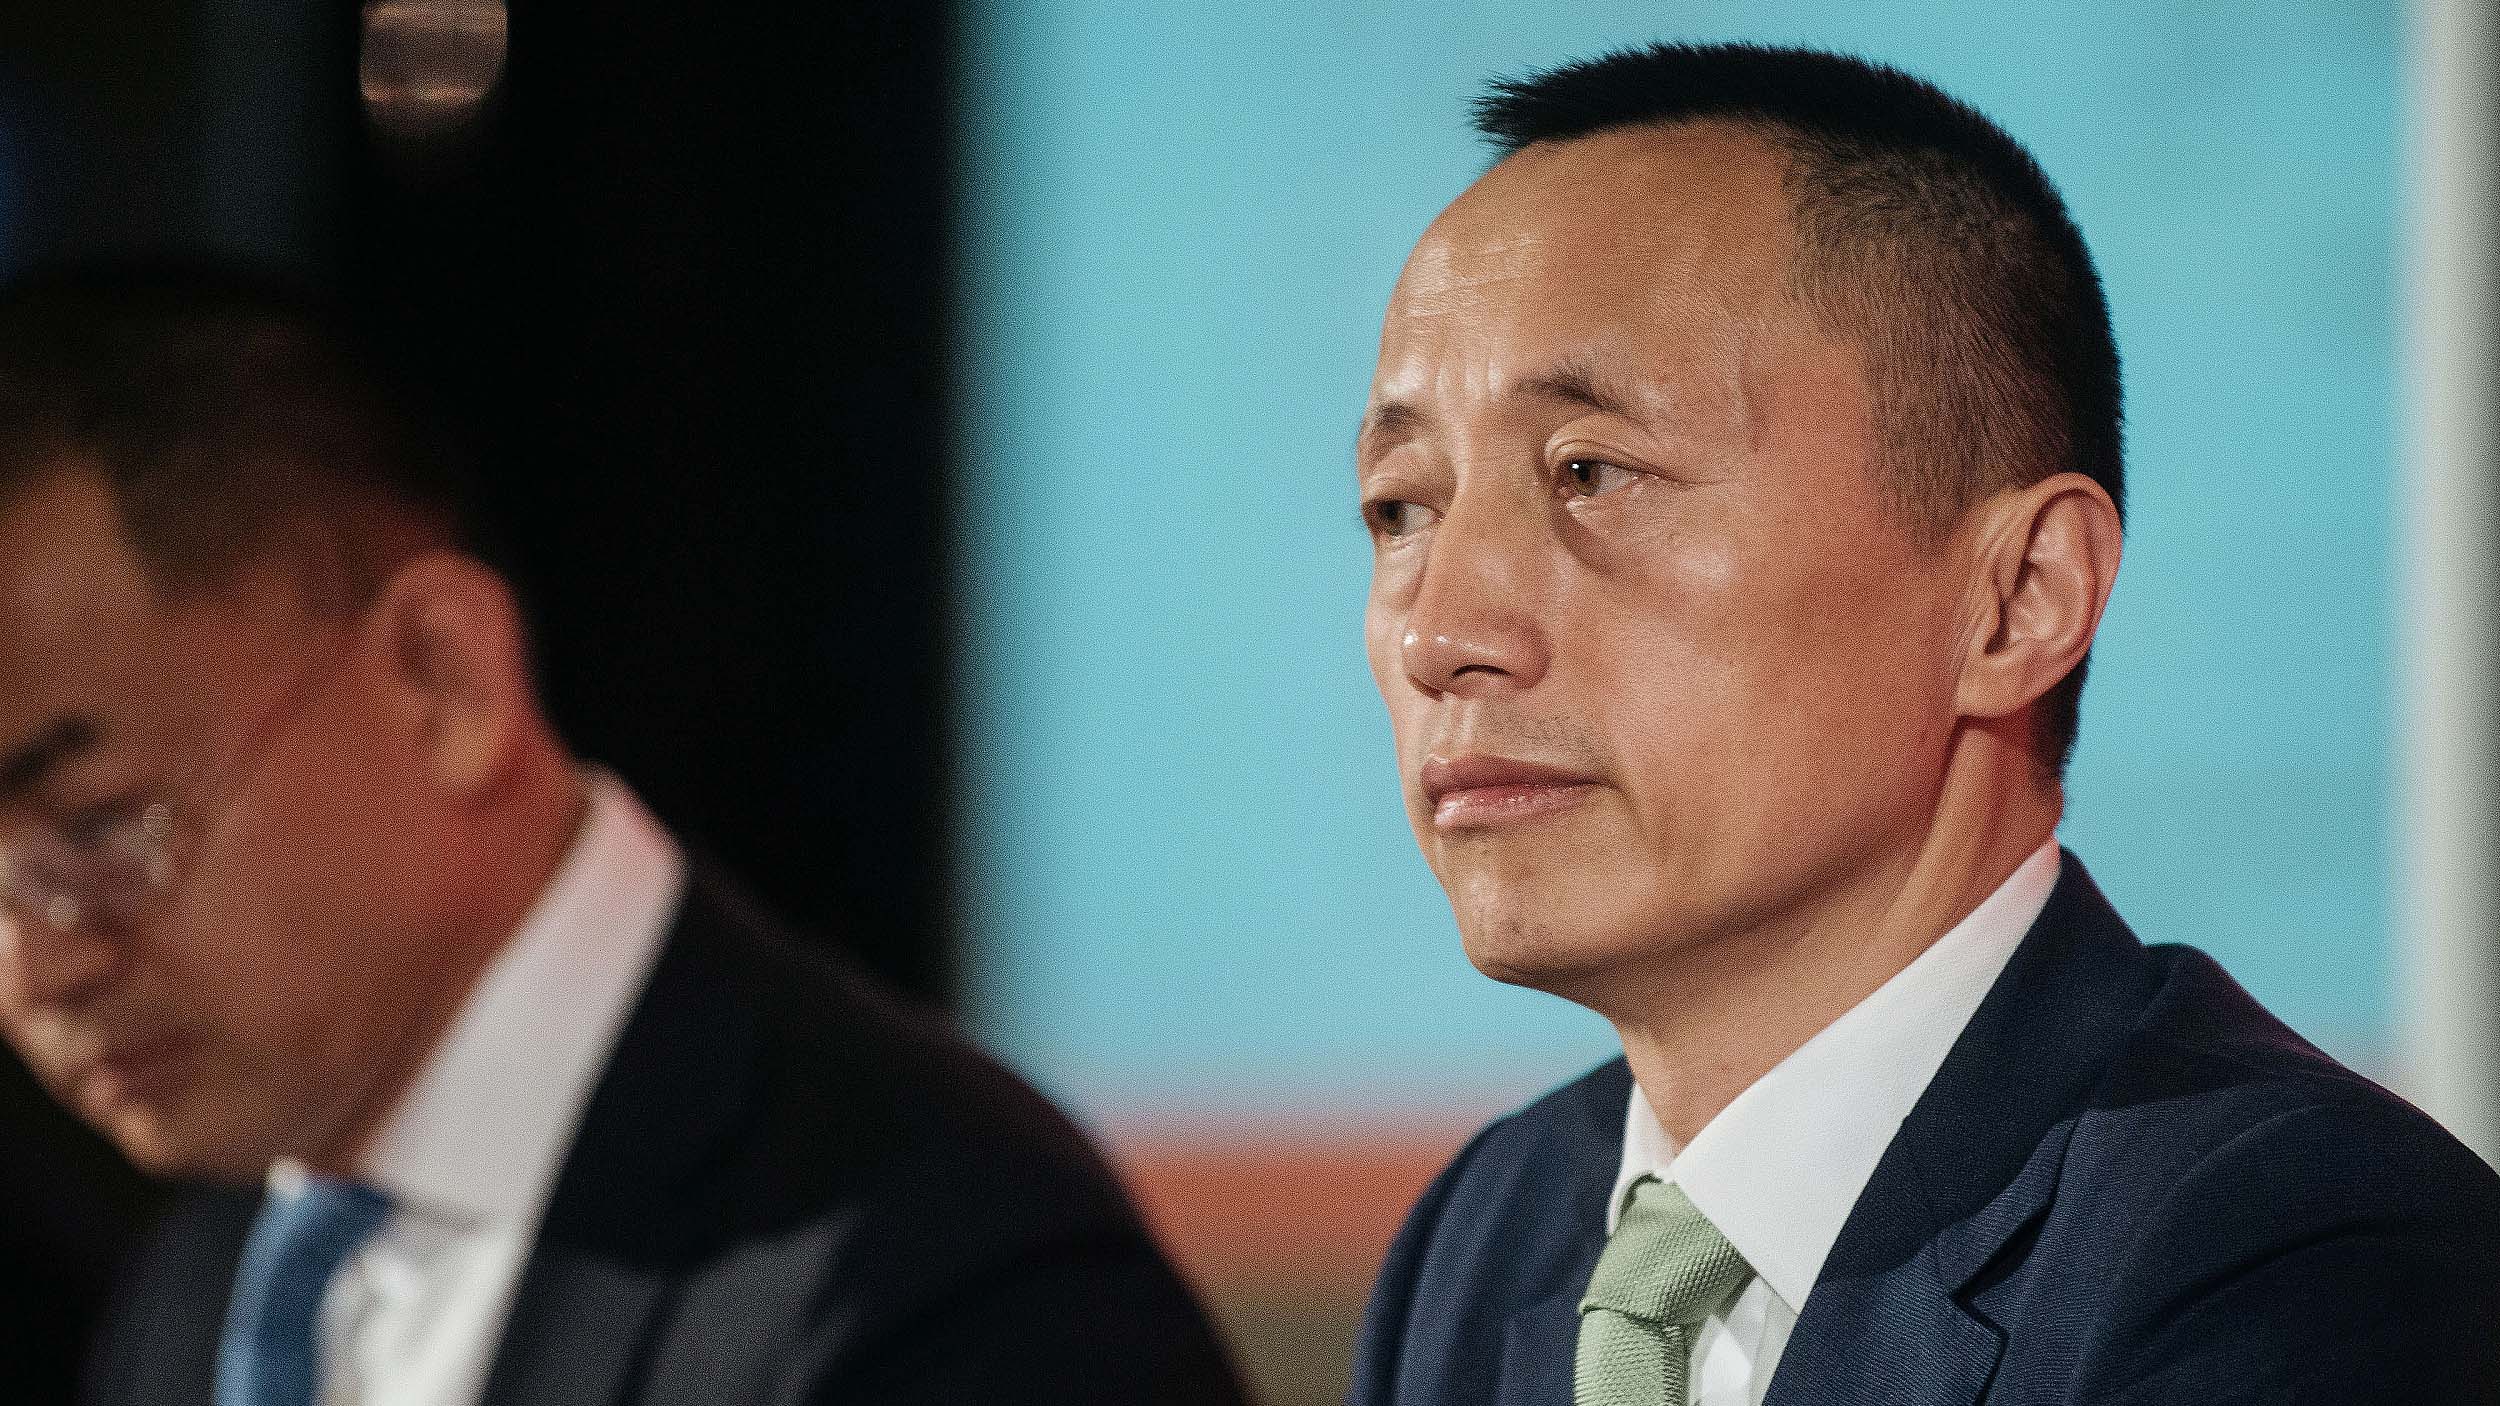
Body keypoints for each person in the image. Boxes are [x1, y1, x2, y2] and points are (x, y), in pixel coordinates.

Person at [1347, 41, 2500, 1406]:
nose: (1439, 633)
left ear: (2019, 597)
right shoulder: (1490, 1237)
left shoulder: (2291, 1251)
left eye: (1591, 471)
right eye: (1402, 506)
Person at [0, 268, 1245, 1406]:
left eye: (98, 827)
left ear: (439, 677)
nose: (33, 970)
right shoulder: (203, 1280)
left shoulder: (955, 1278)